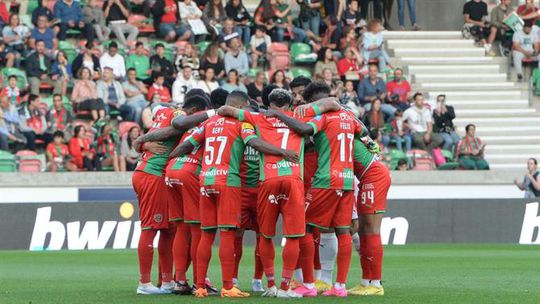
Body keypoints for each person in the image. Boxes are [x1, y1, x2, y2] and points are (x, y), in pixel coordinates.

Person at [169, 91, 297, 298]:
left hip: (206, 180)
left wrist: (170, 160)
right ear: (240, 106)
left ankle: (200, 286)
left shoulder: (208, 123)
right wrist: (282, 152)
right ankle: (228, 286)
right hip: (228, 181)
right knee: (228, 233)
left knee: (207, 234)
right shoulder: (242, 123)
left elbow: (186, 145)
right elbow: (254, 143)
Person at [268, 82, 360, 297]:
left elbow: (303, 129)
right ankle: (340, 286)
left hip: (326, 180)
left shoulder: (323, 116)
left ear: (313, 101)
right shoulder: (349, 116)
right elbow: (364, 132)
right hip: (347, 179)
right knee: (343, 231)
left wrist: (278, 115)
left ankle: (308, 285)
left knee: (305, 228)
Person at [216, 89, 308, 298]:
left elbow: (223, 109)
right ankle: (285, 288)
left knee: (265, 235)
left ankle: (271, 285)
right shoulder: (299, 117)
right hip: (293, 179)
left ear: (268, 102)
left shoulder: (256, 117)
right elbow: (312, 126)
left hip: (267, 180)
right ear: (290, 103)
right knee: (292, 236)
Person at [346, 123, 391, 297]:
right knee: (364, 231)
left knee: (372, 230)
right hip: (367, 177)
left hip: (374, 176)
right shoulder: (357, 137)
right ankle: (366, 281)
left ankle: (377, 283)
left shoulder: (351, 138)